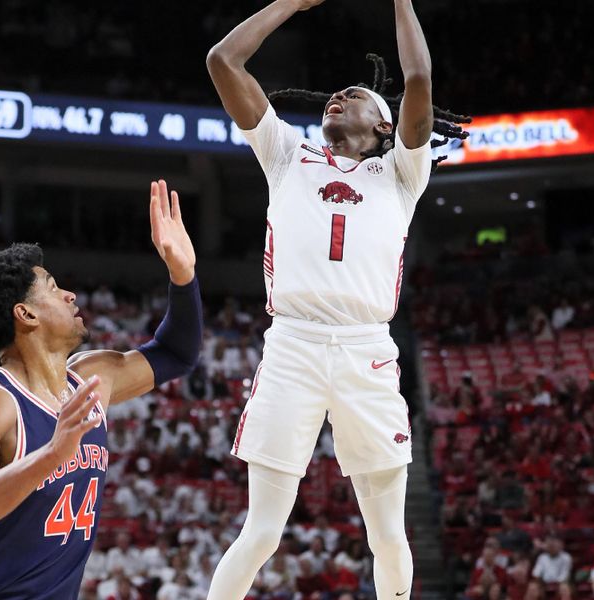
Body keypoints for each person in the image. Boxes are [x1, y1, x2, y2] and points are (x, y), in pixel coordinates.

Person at [205, 0, 468, 597]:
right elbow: (224, 61)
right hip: (291, 347)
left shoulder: (402, 174)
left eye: (354, 96)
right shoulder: (285, 155)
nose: (337, 98)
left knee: (388, 535)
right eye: (334, 94)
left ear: (384, 126)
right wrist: (290, 3)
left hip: (366, 351)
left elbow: (419, 79)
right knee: (263, 531)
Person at [0, 181, 202, 599]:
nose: (71, 295)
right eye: (54, 288)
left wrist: (183, 275)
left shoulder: (93, 378)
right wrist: (50, 456)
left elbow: (176, 353)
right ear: (26, 314)